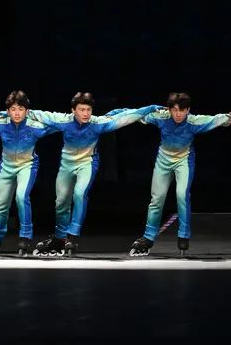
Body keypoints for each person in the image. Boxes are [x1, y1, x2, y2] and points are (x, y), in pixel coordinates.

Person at [26, 92, 161, 256]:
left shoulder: (97, 123)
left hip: (87, 163)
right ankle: (60, 238)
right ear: (73, 110)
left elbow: (124, 118)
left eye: (88, 110)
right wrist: (13, 113)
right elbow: (40, 115)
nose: (85, 113)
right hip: (66, 165)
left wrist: (150, 108)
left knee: (79, 193)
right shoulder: (63, 120)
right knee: (61, 201)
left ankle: (73, 235)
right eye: (82, 110)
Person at [130, 93, 230, 256]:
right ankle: (148, 237)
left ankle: (183, 235)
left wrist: (228, 118)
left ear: (188, 110)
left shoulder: (193, 121)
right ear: (169, 110)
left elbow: (216, 119)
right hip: (163, 159)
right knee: (157, 198)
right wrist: (116, 115)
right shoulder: (161, 117)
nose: (178, 114)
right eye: (175, 110)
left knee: (182, 195)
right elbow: (137, 115)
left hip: (184, 160)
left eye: (182, 110)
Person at [0, 91, 57, 257]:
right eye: (13, 109)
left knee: (21, 197)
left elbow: (60, 123)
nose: (17, 113)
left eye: (21, 109)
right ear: (8, 111)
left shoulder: (36, 126)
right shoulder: (1, 121)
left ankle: (25, 237)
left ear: (27, 111)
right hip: (6, 167)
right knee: (1, 203)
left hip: (27, 166)